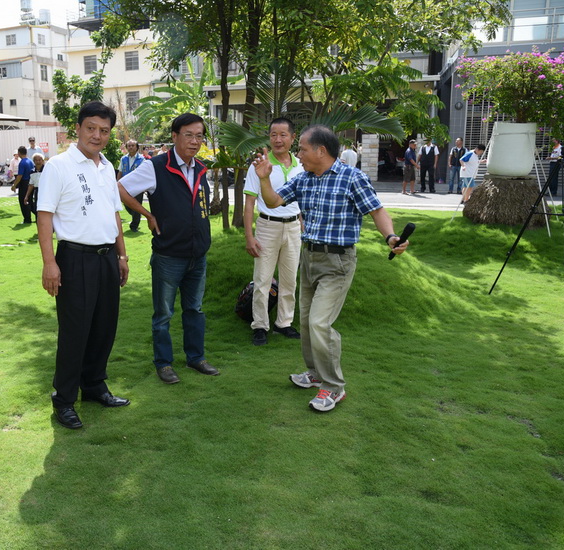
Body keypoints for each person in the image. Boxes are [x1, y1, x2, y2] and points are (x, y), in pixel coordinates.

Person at [253, 124, 409, 412]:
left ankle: (334, 387)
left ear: (320, 150)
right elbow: (274, 201)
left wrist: (391, 237)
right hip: (309, 258)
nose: (297, 153)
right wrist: (264, 179)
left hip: (337, 262)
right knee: (306, 322)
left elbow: (376, 210)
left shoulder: (352, 178)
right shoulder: (305, 179)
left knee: (319, 323)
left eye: (301, 148)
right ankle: (314, 374)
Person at [37, 101, 130, 430]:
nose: (97, 135)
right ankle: (63, 398)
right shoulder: (58, 166)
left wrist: (122, 255)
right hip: (74, 259)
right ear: (77, 128)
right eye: (91, 128)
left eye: (104, 130)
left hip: (107, 259)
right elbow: (44, 215)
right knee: (75, 332)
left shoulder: (107, 166)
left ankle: (94, 386)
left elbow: (115, 214)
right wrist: (50, 263)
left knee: (104, 327)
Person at [119, 113, 218, 384]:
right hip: (168, 255)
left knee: (195, 309)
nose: (195, 141)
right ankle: (163, 363)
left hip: (197, 255)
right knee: (163, 313)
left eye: (199, 136)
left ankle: (196, 358)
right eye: (189, 135)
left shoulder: (200, 168)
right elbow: (121, 189)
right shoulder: (156, 166)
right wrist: (147, 215)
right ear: (174, 137)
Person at [243, 118, 303, 346]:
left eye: (283, 135)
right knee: (262, 280)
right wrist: (249, 236)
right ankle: (260, 325)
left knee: (290, 280)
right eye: (273, 135)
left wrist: (302, 221)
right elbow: (249, 203)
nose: (278, 140)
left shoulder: (300, 165)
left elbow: (301, 199)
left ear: (292, 138)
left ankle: (284, 323)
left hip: (294, 227)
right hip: (267, 226)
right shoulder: (259, 165)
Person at [117, 139, 146, 231]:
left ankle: (134, 226)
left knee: (137, 205)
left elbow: (144, 173)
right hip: (125, 186)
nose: (130, 147)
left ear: (137, 147)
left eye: (132, 145)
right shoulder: (123, 159)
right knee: (127, 204)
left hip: (137, 186)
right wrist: (117, 183)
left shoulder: (142, 159)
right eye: (129, 146)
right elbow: (120, 171)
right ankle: (136, 214)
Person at [10, 146, 35, 224]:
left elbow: (20, 176)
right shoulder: (30, 161)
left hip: (24, 183)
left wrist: (14, 185)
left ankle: (27, 219)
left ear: (19, 153)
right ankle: (37, 214)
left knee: (23, 200)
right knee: (30, 200)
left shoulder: (22, 162)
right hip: (31, 182)